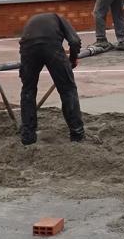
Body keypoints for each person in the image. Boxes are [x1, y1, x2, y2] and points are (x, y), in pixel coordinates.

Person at [18, 12, 85, 145]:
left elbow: (23, 45)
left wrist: (24, 70)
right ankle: (77, 133)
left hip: (28, 47)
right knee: (68, 90)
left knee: (28, 90)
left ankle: (28, 135)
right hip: (50, 46)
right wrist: (72, 59)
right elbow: (74, 41)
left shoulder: (33, 20)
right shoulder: (60, 19)